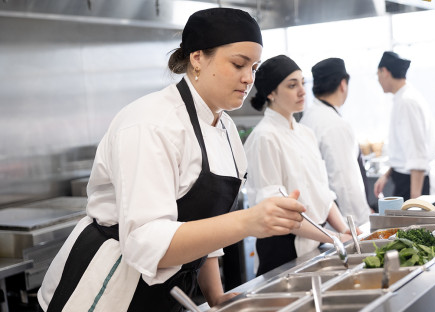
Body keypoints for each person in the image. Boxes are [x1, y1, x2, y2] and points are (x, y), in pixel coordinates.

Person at [37, 8, 306, 312]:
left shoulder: (227, 129)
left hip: (170, 292)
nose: (249, 78)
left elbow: (206, 223)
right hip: (106, 293)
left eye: (254, 67)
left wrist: (215, 296)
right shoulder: (151, 124)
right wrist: (248, 221)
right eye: (238, 64)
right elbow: (146, 242)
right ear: (197, 58)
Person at [244, 55, 360, 276]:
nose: (302, 91)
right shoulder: (264, 138)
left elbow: (322, 193)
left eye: (302, 83)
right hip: (283, 250)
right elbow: (279, 211)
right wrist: (333, 237)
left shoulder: (306, 134)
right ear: (271, 93)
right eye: (292, 85)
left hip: (315, 243)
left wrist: (346, 230)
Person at [300, 57, 374, 225]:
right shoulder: (334, 125)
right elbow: (346, 184)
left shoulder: (308, 118)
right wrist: (361, 221)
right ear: (343, 84)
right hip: (343, 223)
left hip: (323, 219)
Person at [373, 51, 435, 202]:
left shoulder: (407, 102)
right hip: (404, 179)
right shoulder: (403, 98)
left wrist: (415, 202)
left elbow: (417, 154)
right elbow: (405, 152)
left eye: (377, 74)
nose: (378, 80)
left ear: (385, 72)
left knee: (413, 225)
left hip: (412, 184)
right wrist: (387, 175)